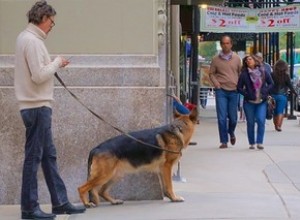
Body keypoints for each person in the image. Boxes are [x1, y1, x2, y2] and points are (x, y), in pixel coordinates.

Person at [14, 1, 86, 219]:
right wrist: (56, 62)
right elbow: (38, 76)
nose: (51, 27)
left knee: (48, 157)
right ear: (43, 18)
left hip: (36, 106)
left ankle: (60, 202)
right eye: (52, 23)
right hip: (36, 106)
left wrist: (54, 64)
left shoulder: (25, 38)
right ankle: (29, 209)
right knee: (34, 158)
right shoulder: (32, 41)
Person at [209, 35, 242, 149]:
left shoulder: (237, 59)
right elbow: (211, 73)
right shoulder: (215, 59)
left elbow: (241, 73)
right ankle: (223, 141)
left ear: (231, 44)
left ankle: (231, 132)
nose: (225, 45)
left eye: (227, 43)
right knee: (222, 117)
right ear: (221, 44)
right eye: (223, 43)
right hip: (221, 91)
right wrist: (216, 84)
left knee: (233, 118)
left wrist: (239, 85)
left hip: (234, 91)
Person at [237, 55, 274, 150]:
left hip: (261, 102)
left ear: (255, 61)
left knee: (261, 121)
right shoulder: (244, 74)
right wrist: (247, 94)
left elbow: (271, 83)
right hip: (249, 102)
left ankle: (260, 142)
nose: (248, 61)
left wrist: (265, 91)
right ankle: (252, 142)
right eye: (246, 60)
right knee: (250, 123)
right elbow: (239, 87)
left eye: (250, 59)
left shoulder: (263, 72)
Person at [270, 59, 298, 132]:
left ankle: (276, 125)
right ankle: (279, 126)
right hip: (282, 96)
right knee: (280, 111)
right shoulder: (286, 75)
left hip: (273, 95)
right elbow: (290, 86)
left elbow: (269, 84)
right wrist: (295, 93)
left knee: (275, 112)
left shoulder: (272, 74)